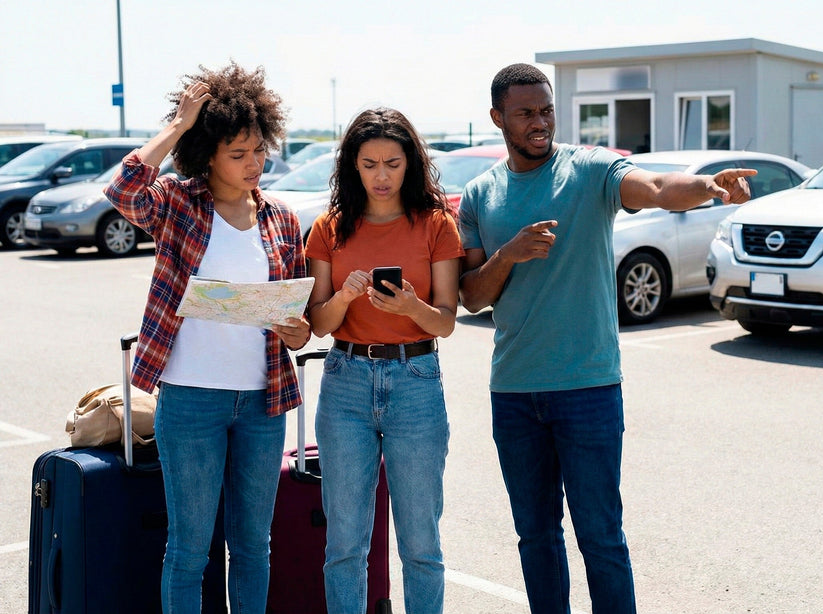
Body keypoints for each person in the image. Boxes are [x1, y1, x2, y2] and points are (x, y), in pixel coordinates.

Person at [457, 63, 755, 614]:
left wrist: (709, 187)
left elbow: (659, 188)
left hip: (588, 389)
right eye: (525, 113)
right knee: (537, 541)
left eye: (546, 110)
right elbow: (471, 296)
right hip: (515, 393)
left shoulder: (591, 169)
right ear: (498, 118)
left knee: (601, 539)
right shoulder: (478, 195)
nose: (539, 122)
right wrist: (510, 254)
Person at [104, 62, 311, 614]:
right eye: (238, 153)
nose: (253, 164)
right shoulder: (177, 203)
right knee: (190, 550)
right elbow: (122, 188)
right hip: (191, 397)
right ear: (207, 155)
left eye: (259, 150)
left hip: (263, 404)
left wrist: (297, 328)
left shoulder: (282, 221)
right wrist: (178, 125)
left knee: (252, 546)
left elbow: (298, 321)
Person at [305, 107, 463, 614]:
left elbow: (445, 321)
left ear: (409, 164)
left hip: (416, 380)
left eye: (392, 163)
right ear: (352, 165)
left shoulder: (436, 224)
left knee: (421, 545)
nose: (381, 175)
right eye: (369, 163)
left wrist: (410, 306)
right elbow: (319, 324)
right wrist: (347, 298)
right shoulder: (329, 228)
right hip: (345, 380)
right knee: (344, 545)